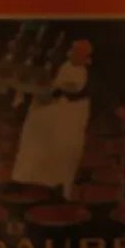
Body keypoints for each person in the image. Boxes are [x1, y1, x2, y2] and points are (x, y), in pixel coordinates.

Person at [10, 39, 93, 199]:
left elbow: (71, 89)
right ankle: (31, 183)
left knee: (60, 153)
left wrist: (53, 90)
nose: (73, 53)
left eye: (78, 52)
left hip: (68, 117)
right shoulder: (64, 65)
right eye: (73, 49)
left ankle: (57, 189)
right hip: (49, 113)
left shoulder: (82, 72)